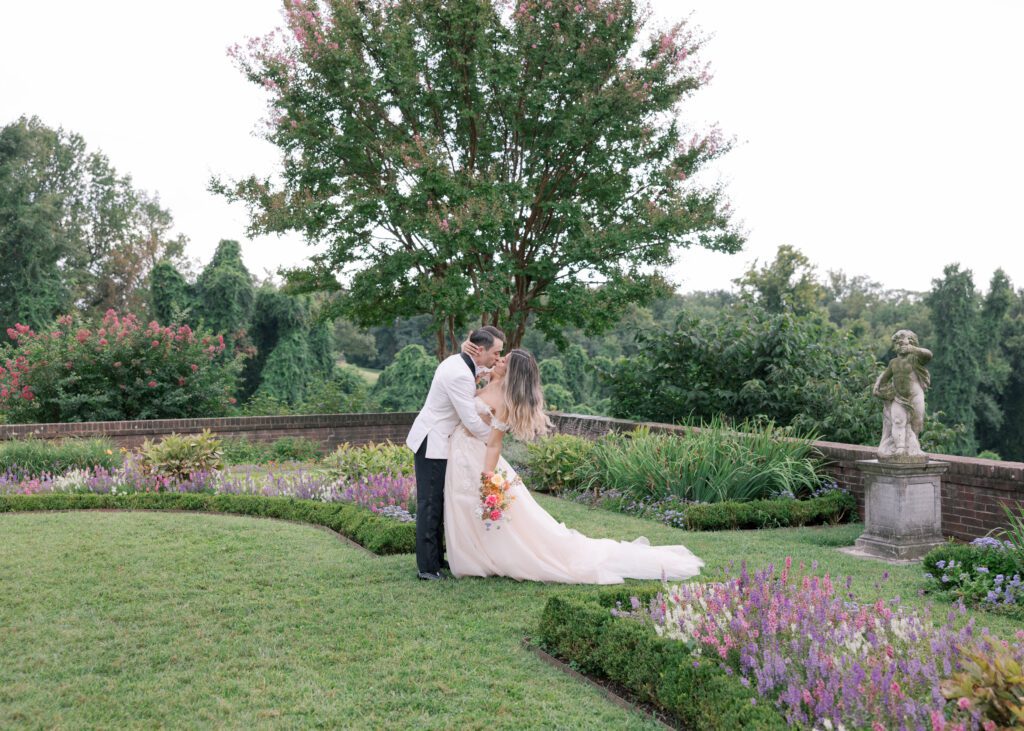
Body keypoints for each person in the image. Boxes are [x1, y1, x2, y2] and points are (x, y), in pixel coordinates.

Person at [443, 347, 703, 584]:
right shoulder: (491, 379)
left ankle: (487, 559)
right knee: (464, 506)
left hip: (480, 457)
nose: (498, 360)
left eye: (504, 360)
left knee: (490, 510)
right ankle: (475, 557)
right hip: (461, 452)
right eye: (500, 357)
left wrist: (488, 478)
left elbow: (494, 445)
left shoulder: (505, 401)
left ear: (513, 372)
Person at [406, 326, 505, 580]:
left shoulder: (459, 362)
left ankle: (437, 559)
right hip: (433, 442)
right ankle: (427, 569)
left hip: (440, 440)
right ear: (480, 350)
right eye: (496, 353)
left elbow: (480, 369)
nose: (497, 358)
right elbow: (471, 421)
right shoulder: (459, 374)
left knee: (437, 501)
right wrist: (495, 438)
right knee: (430, 503)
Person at [873, 329, 932, 461]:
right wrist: (878, 385)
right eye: (899, 343)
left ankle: (914, 446)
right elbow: (885, 377)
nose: (902, 345)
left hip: (915, 396)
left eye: (906, 342)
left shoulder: (915, 359)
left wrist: (913, 349)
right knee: (898, 421)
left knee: (917, 422)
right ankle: (900, 448)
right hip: (899, 397)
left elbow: (928, 355)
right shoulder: (893, 362)